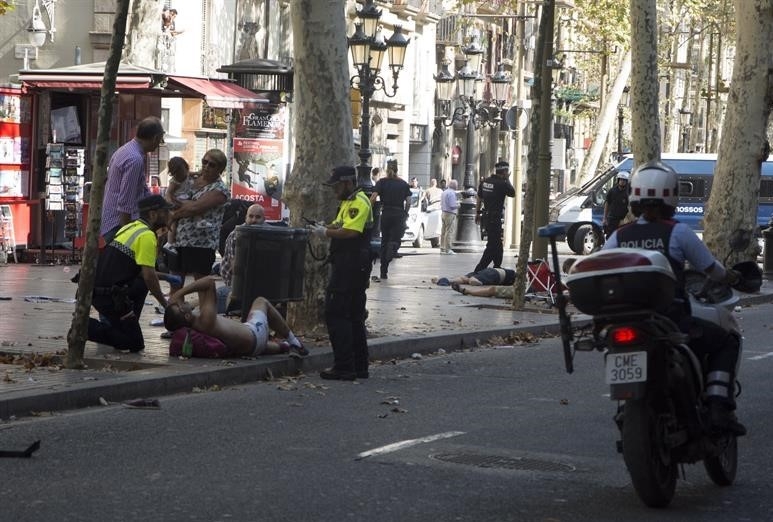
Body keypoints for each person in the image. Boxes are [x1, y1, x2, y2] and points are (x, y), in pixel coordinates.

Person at [604, 160, 745, 436]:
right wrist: (734, 278)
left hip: (627, 321)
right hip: (672, 321)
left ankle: (624, 407)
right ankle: (718, 406)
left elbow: (600, 264)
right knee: (726, 342)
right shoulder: (678, 232)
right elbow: (711, 269)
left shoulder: (620, 236)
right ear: (671, 196)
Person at [310, 166, 373, 380]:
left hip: (351, 264)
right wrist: (323, 226)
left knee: (337, 312)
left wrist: (325, 232)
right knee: (354, 315)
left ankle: (345, 365)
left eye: (336, 186)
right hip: (352, 263)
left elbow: (351, 231)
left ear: (347, 183)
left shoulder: (359, 202)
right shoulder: (348, 202)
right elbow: (341, 224)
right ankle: (358, 366)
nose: (334, 191)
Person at [86, 195, 172, 352]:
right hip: (110, 297)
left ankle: (123, 323)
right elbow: (148, 276)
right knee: (134, 343)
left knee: (140, 284)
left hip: (98, 292)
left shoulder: (130, 227)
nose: (169, 216)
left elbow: (134, 268)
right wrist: (166, 305)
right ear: (153, 215)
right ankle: (88, 328)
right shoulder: (147, 236)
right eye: (165, 212)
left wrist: (166, 277)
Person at [163, 276, 307, 357]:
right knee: (261, 301)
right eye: (180, 305)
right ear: (187, 316)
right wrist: (179, 293)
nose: (182, 302)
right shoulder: (205, 320)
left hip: (249, 348)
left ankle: (284, 346)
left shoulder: (196, 324)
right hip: (254, 335)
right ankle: (294, 342)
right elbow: (208, 282)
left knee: (273, 346)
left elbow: (203, 288)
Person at [170, 149, 229, 289]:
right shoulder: (190, 179)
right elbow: (173, 197)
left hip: (201, 244)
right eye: (205, 162)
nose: (206, 166)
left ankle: (205, 311)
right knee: (175, 283)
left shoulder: (220, 189)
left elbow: (195, 208)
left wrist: (174, 213)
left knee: (202, 286)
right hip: (178, 240)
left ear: (220, 169)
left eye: (212, 165)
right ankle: (175, 310)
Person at [101, 116, 165, 243]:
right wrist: (127, 237)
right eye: (160, 140)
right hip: (119, 226)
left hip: (113, 223)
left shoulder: (125, 150)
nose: (159, 144)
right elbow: (125, 202)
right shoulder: (135, 160)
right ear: (155, 138)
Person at [217, 204, 265, 314]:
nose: (253, 220)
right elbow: (237, 270)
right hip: (235, 282)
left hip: (255, 280)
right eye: (251, 216)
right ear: (245, 218)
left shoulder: (266, 234)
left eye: (258, 217)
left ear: (264, 219)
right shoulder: (236, 235)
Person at [370, 160, 410, 281]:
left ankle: (383, 272)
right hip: (399, 214)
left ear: (387, 170)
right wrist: (405, 212)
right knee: (396, 240)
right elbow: (408, 202)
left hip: (386, 213)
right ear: (397, 169)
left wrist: (368, 211)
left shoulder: (382, 182)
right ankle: (393, 247)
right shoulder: (403, 184)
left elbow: (373, 197)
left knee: (384, 242)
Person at [474, 161, 515, 272]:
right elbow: (513, 193)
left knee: (497, 243)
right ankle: (479, 269)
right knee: (492, 245)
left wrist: (477, 213)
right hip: (494, 218)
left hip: (486, 217)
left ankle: (497, 266)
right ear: (505, 172)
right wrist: (507, 179)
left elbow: (479, 197)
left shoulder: (485, 182)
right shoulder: (503, 184)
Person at [163, 156, 192, 252]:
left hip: (186, 201)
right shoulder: (174, 182)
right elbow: (168, 194)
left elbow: (193, 174)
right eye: (177, 174)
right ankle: (169, 243)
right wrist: (171, 203)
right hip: (176, 203)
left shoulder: (188, 175)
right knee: (173, 222)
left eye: (182, 172)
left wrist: (199, 173)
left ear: (186, 167)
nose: (181, 175)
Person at [602, 171, 630, 238]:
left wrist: (625, 220)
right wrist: (605, 218)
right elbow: (607, 203)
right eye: (621, 179)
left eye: (624, 180)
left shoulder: (629, 192)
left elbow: (631, 207)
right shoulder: (612, 191)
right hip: (612, 219)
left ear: (627, 181)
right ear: (618, 180)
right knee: (610, 237)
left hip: (623, 220)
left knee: (623, 238)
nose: (622, 181)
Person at [440, 179, 459, 254]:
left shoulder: (444, 192)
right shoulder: (451, 193)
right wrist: (458, 205)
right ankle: (448, 249)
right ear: (454, 185)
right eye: (456, 185)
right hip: (450, 214)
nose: (457, 186)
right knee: (449, 231)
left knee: (443, 231)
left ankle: (442, 248)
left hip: (444, 212)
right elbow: (452, 205)